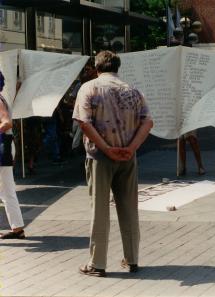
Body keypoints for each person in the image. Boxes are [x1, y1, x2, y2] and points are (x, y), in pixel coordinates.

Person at [73, 51, 153, 277]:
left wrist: (107, 148)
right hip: (128, 156)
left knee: (99, 210)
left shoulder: (89, 88)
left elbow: (84, 123)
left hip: (100, 156)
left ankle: (97, 264)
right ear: (117, 67)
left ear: (97, 68)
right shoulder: (133, 90)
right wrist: (131, 148)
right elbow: (148, 122)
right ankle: (132, 259)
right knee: (129, 208)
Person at [0, 71, 26, 239]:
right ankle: (17, 228)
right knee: (7, 191)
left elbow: (6, 122)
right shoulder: (1, 97)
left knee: (7, 190)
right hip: (6, 146)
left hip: (2, 147)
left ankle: (17, 228)